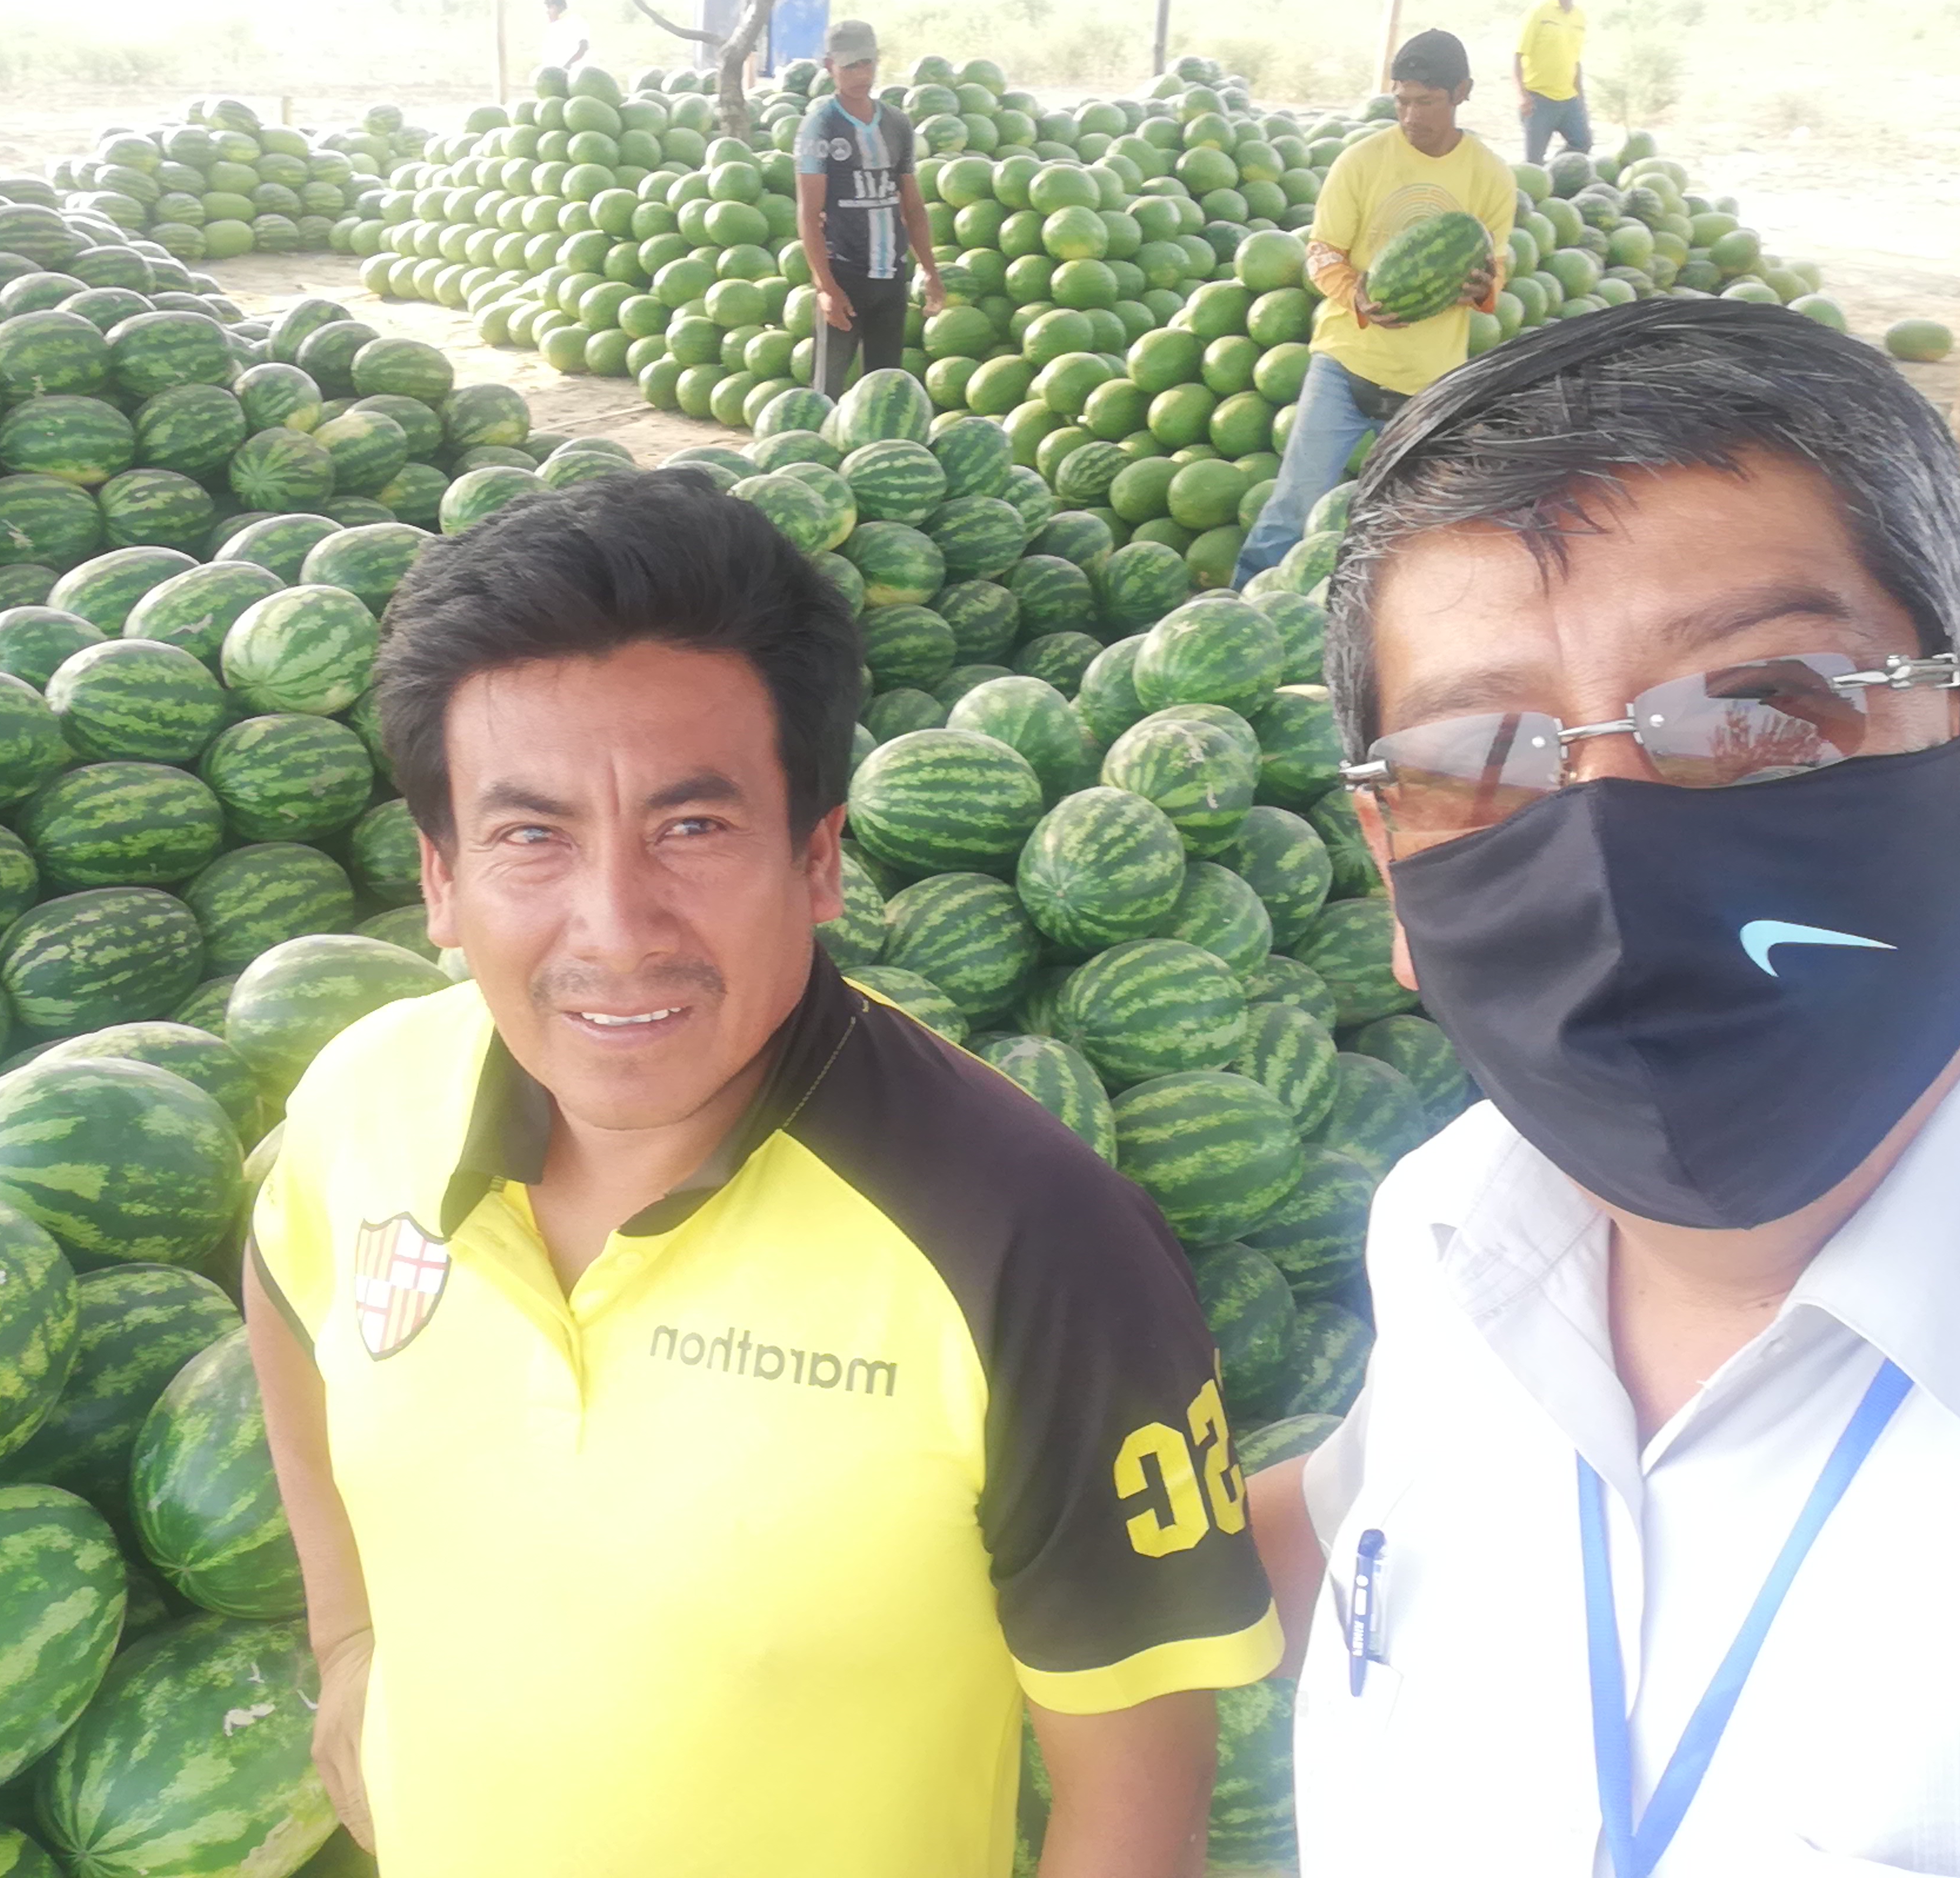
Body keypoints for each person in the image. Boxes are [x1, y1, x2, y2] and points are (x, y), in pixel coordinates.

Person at [243, 472, 1282, 1878]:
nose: (616, 929)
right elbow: (281, 1288)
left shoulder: (1035, 1245)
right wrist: (347, 1634)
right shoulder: (365, 1097)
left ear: (818, 859)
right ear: (440, 877)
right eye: (532, 835)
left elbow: (1135, 1806)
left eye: (693, 827)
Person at [1246, 299, 1960, 1874]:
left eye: (1755, 708)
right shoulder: (1452, 1227)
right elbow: (1359, 1526)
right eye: (1482, 758)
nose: (1608, 836)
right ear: (1390, 870)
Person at [1233, 28, 1511, 586]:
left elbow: (1496, 266)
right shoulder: (1362, 161)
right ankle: (1242, 600)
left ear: (1462, 92)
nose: (1411, 116)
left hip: (1428, 382)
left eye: (1426, 102)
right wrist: (1355, 293)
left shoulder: (1490, 175)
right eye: (1401, 101)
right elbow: (1322, 252)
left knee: (1407, 524)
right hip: (1344, 364)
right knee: (1294, 504)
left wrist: (1484, 287)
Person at [794, 17, 944, 399]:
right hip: (844, 276)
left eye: (868, 64)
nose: (862, 75)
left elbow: (913, 206)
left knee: (884, 393)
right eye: (850, 67)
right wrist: (826, 288)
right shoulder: (821, 126)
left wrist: (929, 269)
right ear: (830, 66)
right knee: (824, 393)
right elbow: (809, 215)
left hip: (891, 279)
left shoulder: (896, 123)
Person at [1516, 0, 1591, 162]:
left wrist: (1581, 100)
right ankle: (1545, 176)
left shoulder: (1579, 17)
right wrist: (1522, 95)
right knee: (1534, 162)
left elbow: (1575, 62)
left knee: (1582, 144)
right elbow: (1518, 55)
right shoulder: (1540, 11)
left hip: (1568, 99)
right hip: (1539, 99)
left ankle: (1556, 173)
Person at [542, 0, 589, 75]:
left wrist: (567, 66)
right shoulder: (553, 26)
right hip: (556, 75)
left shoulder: (575, 21)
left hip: (574, 75)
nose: (548, 12)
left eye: (550, 7)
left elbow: (583, 47)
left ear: (560, 7)